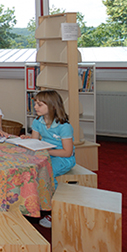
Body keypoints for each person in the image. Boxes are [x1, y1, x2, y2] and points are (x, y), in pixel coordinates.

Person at [21, 89, 76, 228]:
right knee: (29, 169)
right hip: (46, 154)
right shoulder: (38, 121)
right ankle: (34, 203)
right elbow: (35, 141)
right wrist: (27, 140)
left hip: (62, 158)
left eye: (39, 104)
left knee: (48, 173)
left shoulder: (64, 126)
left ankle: (54, 210)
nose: (35, 107)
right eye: (35, 104)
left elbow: (67, 152)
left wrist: (47, 151)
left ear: (52, 106)